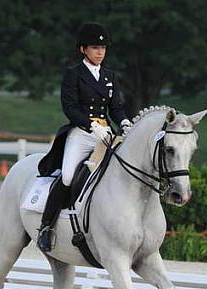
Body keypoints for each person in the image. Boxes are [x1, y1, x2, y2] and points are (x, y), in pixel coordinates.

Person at [36, 22, 131, 252]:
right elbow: (70, 108)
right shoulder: (73, 74)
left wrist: (125, 121)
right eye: (95, 47)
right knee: (68, 177)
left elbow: (115, 108)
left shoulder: (109, 76)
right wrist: (91, 125)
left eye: (103, 48)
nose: (100, 52)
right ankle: (46, 227)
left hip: (105, 135)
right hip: (82, 133)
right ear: (83, 49)